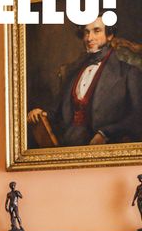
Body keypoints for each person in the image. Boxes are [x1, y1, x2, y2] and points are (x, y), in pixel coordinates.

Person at [27, 17, 142, 146]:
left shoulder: (129, 73)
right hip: (65, 145)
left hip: (105, 147)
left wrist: (105, 133)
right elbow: (58, 110)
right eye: (86, 32)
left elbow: (138, 118)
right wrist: (41, 113)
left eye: (96, 31)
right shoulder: (73, 72)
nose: (89, 38)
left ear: (109, 35)